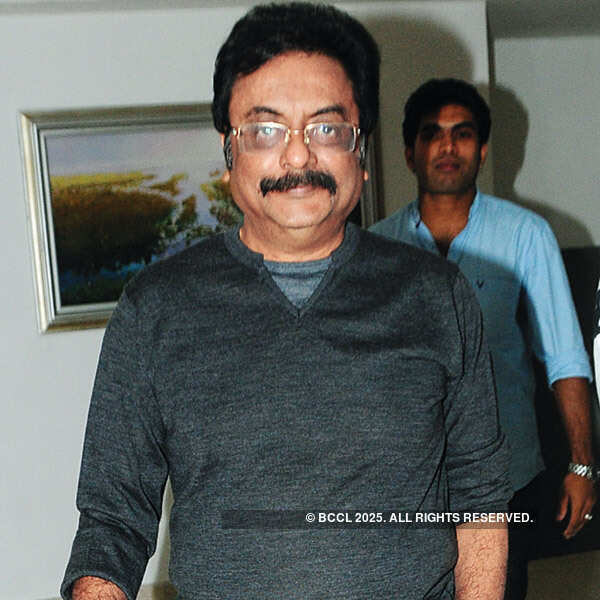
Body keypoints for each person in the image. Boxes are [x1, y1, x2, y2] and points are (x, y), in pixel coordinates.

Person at [61, 8, 511, 600]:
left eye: (326, 129)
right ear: (229, 154)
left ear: (361, 152)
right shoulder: (155, 309)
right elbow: (112, 522)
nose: (298, 158)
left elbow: (480, 497)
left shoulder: (438, 295)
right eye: (266, 130)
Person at [370, 78, 597, 600]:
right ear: (409, 153)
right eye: (432, 134)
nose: (448, 147)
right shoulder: (377, 247)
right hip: (407, 485)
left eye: (463, 133)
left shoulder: (525, 235)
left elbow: (565, 356)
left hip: (503, 481)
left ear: (483, 149)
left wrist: (583, 464)